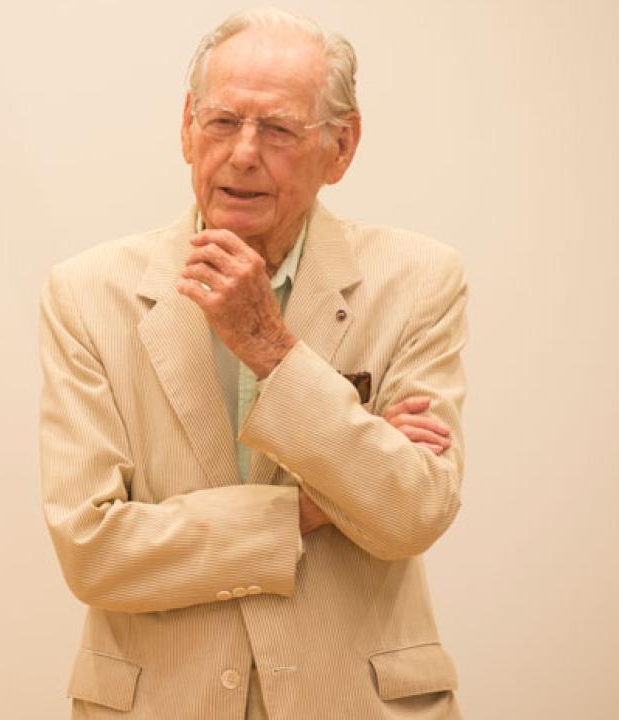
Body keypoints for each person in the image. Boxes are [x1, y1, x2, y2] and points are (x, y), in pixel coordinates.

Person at [39, 7, 468, 719]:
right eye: (222, 122)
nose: (242, 153)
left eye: (276, 130)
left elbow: (412, 512)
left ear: (341, 146)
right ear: (186, 127)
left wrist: (273, 349)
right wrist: (308, 508)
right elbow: (94, 552)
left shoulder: (418, 279)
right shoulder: (87, 294)